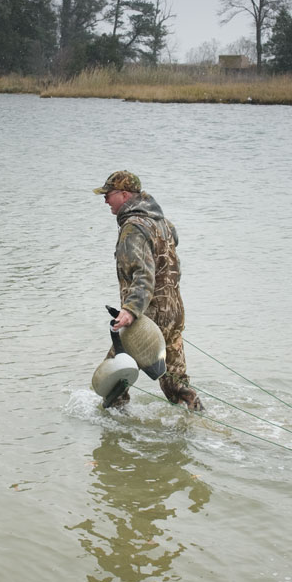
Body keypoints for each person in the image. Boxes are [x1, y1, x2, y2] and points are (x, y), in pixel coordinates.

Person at [93, 170, 202, 411]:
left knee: (113, 377)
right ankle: (198, 421)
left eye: (108, 195)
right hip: (173, 312)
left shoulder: (133, 228)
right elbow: (169, 259)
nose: (105, 200)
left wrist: (131, 310)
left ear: (124, 195)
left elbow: (144, 274)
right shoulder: (162, 222)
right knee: (175, 383)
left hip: (148, 319)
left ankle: (113, 434)